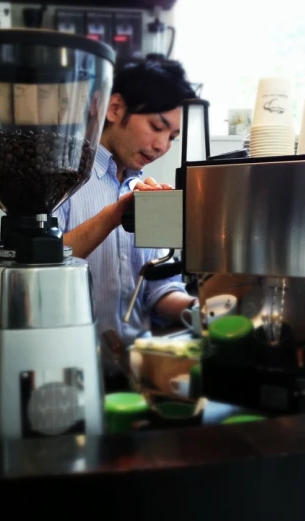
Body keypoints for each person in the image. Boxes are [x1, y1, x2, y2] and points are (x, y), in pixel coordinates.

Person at [54, 59, 199, 390]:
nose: (162, 146)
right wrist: (113, 215)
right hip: (70, 373)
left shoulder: (144, 192)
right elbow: (45, 265)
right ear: (115, 108)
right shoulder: (62, 179)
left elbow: (157, 289)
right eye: (156, 126)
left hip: (136, 376)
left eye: (172, 136)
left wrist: (200, 311)